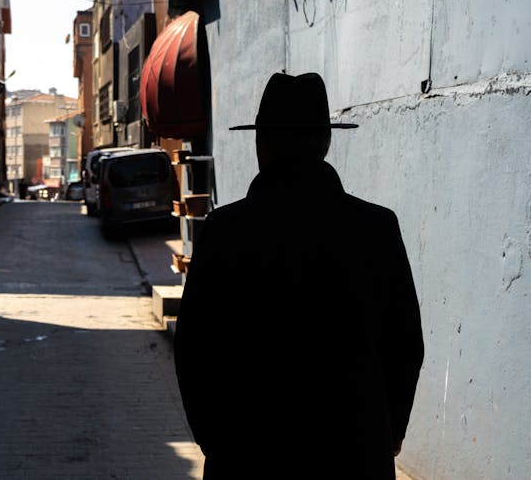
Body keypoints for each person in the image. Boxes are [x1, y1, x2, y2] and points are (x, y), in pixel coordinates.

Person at [173, 72, 424, 479]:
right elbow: (406, 344)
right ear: (326, 143)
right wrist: (389, 431)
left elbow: (193, 351)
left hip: (248, 456)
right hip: (355, 455)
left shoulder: (225, 230)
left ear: (262, 145)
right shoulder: (376, 227)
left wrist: (215, 440)